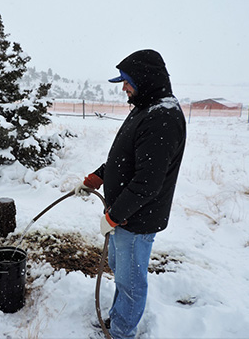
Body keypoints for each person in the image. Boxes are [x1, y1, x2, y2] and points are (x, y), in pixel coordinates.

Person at [75, 49, 186, 338]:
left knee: (131, 281)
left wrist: (114, 216)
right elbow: (125, 158)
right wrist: (97, 177)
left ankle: (122, 332)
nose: (123, 88)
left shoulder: (162, 117)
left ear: (145, 79)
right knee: (120, 270)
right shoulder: (146, 108)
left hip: (136, 219)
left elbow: (147, 183)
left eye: (127, 81)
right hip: (125, 215)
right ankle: (118, 317)